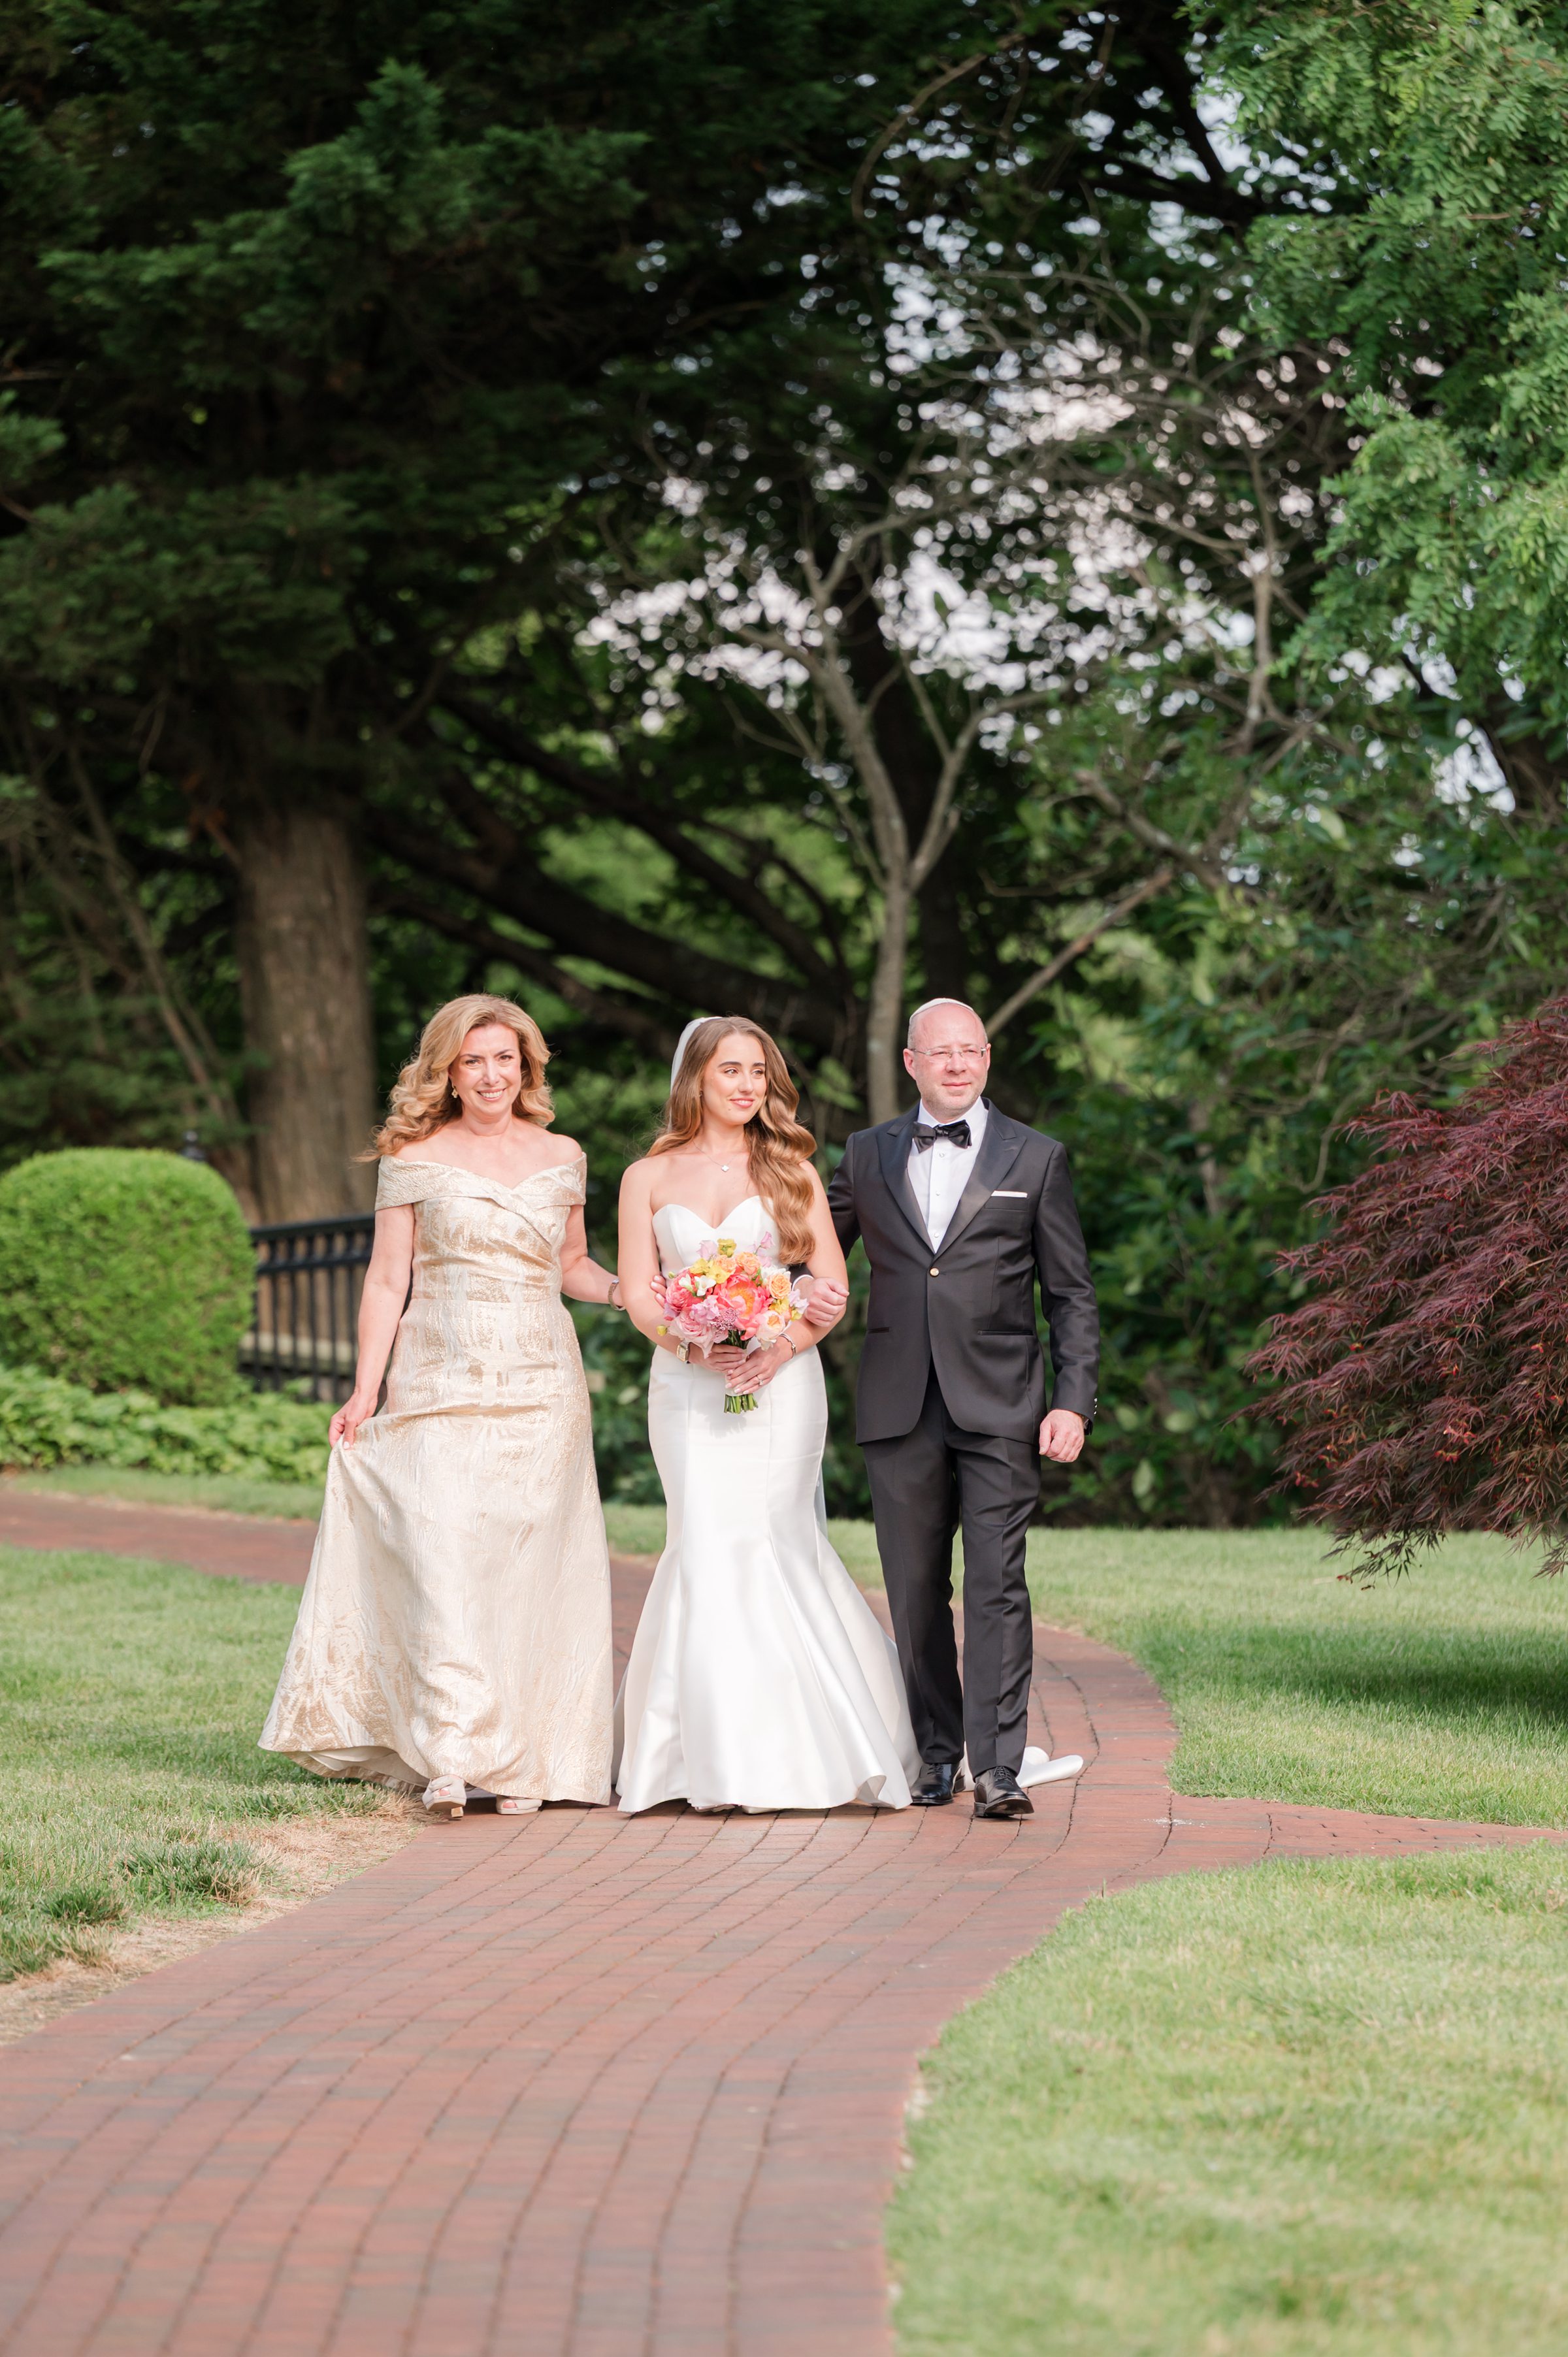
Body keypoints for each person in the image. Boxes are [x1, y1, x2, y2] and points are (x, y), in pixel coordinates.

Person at [261, 994, 622, 1817]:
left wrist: (633, 1295)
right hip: (438, 1374)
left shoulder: (565, 1154)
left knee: (528, 1563)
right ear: (448, 1072)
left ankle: (528, 1755)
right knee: (444, 1550)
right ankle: (453, 1752)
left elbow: (573, 1262)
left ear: (526, 1065)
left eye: (506, 1059)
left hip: (541, 1381)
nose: (492, 1075)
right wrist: (365, 1388)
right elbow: (389, 1277)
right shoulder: (414, 1157)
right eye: (474, 1061)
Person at [613, 1016, 919, 1813]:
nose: (748, 1085)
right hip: (687, 1387)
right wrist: (692, 1342)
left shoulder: (793, 1171)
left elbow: (831, 1286)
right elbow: (641, 1295)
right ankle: (693, 1758)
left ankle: (805, 1749)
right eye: (731, 1071)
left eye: (759, 1072)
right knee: (704, 1540)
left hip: (782, 1385)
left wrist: (776, 1346)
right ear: (697, 1081)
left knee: (776, 1538)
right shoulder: (646, 1177)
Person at [822, 998, 1100, 1820]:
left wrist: (1074, 1401)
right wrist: (737, 1307)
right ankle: (937, 1755)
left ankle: (1000, 1766)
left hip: (1003, 1403)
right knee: (913, 1588)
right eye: (939, 1052)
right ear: (910, 1061)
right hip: (899, 1401)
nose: (956, 1064)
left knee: (996, 1583)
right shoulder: (865, 1154)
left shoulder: (1037, 1156)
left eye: (970, 1050)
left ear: (986, 1058)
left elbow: (1072, 1294)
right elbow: (814, 1256)